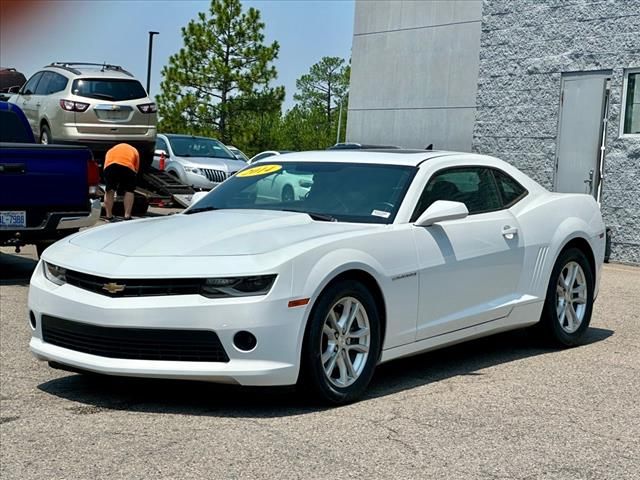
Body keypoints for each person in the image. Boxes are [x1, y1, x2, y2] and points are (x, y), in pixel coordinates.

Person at [102, 143, 140, 221]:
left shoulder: (111, 150)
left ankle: (108, 216)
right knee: (129, 190)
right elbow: (136, 169)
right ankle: (127, 215)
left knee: (109, 190)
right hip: (127, 166)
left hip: (110, 166)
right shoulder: (134, 150)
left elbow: (105, 165)